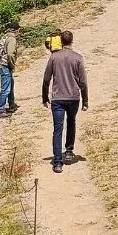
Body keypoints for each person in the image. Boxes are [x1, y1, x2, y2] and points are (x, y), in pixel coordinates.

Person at [42, 29, 88, 173]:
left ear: (61, 41)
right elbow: (83, 82)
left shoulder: (54, 57)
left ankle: (57, 162)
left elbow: (46, 79)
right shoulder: (78, 58)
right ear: (72, 40)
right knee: (71, 122)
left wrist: (44, 97)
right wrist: (85, 100)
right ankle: (69, 151)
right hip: (73, 96)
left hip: (58, 97)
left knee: (58, 128)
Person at [0, 23, 19, 117]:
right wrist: (12, 65)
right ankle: (1, 109)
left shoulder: (5, 37)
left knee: (10, 84)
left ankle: (11, 105)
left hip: (0, 65)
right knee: (6, 88)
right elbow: (10, 54)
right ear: (16, 30)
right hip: (5, 65)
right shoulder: (12, 39)